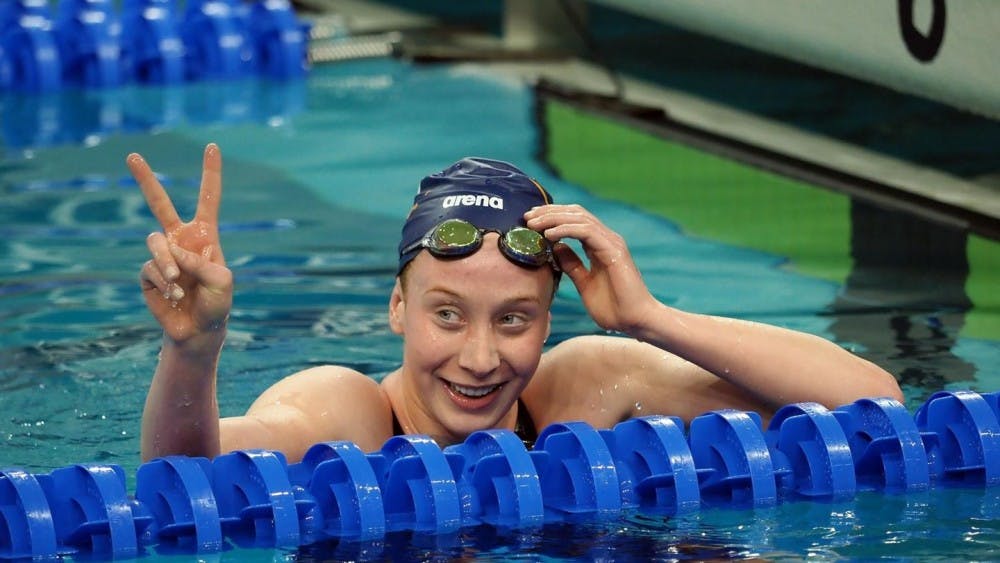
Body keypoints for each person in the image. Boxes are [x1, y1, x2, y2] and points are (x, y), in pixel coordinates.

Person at [129, 143, 903, 463]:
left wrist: (650, 318)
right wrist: (192, 352)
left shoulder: (586, 387)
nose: (479, 358)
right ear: (397, 307)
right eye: (447, 314)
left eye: (513, 319)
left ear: (547, 320)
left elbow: (874, 402)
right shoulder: (347, 413)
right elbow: (185, 481)